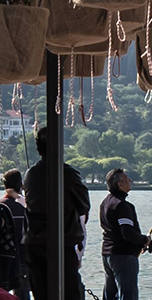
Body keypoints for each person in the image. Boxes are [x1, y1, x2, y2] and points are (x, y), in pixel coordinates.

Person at [23, 127, 90, 300]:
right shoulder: (68, 173)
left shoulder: (30, 174)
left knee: (41, 294)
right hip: (62, 243)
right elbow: (84, 206)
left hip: (34, 244)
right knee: (70, 293)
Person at [99, 169, 152, 300]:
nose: (130, 181)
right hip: (123, 256)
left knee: (110, 294)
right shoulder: (122, 205)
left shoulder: (105, 203)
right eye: (127, 179)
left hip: (108, 254)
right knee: (128, 294)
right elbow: (127, 233)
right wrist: (144, 240)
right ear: (120, 185)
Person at [0, 170, 28, 299]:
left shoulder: (2, 206)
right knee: (23, 293)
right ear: (20, 185)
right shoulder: (24, 206)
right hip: (23, 257)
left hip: (3, 259)